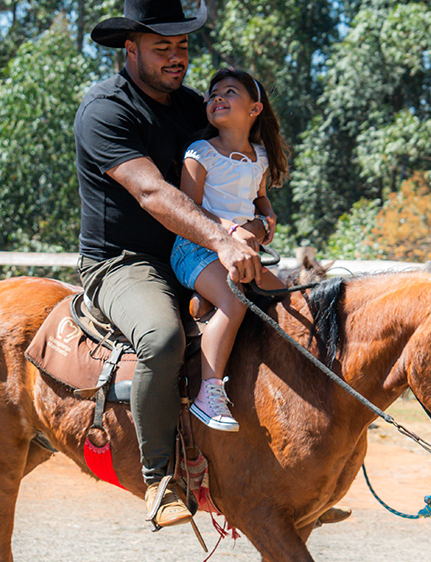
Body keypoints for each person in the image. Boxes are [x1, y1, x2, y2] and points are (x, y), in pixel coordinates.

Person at [76, 0, 262, 529]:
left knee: (279, 315)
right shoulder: (105, 110)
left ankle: (275, 473)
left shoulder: (193, 107)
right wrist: (222, 240)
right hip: (125, 261)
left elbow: (240, 156)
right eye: (163, 48)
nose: (177, 57)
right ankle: (159, 477)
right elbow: (153, 191)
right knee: (160, 337)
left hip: (198, 252)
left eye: (182, 46)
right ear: (130, 49)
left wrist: (258, 225)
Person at [171, 68, 288, 432]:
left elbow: (259, 197)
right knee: (233, 300)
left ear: (254, 109)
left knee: (285, 299)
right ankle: (209, 391)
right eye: (213, 93)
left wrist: (266, 217)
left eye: (229, 91)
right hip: (195, 248)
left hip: (241, 250)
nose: (216, 97)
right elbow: (188, 209)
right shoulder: (200, 153)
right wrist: (233, 230)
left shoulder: (261, 157)